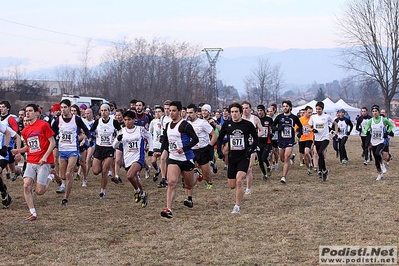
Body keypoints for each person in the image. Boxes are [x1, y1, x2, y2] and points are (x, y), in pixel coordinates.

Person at [12, 104, 61, 222]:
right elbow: (29, 147)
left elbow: (52, 142)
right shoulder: (25, 130)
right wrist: (18, 150)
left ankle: (51, 175)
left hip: (43, 162)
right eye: (26, 111)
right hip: (30, 161)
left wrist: (45, 156)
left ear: (36, 113)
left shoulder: (43, 125)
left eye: (30, 111)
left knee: (39, 191)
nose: (27, 113)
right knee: (26, 185)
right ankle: (32, 213)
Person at [217, 102, 258, 214]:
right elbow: (220, 138)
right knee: (232, 185)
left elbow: (256, 139)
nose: (234, 114)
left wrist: (251, 149)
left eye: (236, 112)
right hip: (232, 157)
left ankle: (237, 206)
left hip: (244, 157)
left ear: (240, 112)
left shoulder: (247, 125)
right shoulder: (227, 125)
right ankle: (239, 193)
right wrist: (219, 151)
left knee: (239, 180)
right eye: (232, 112)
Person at [160, 101, 199, 219]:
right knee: (171, 182)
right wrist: (162, 151)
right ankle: (168, 209)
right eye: (169, 110)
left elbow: (195, 139)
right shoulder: (167, 125)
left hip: (186, 158)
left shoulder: (185, 125)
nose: (171, 113)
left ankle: (196, 176)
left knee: (189, 184)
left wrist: (184, 148)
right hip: (173, 158)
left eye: (173, 111)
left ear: (180, 111)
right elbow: (166, 141)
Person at [51, 99, 91, 206]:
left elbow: (86, 130)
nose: (63, 110)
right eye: (61, 108)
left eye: (65, 107)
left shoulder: (76, 119)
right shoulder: (58, 120)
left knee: (69, 174)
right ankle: (60, 180)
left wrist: (87, 138)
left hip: (73, 150)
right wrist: (54, 141)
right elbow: (52, 132)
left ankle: (65, 198)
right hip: (62, 150)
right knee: (63, 176)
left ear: (69, 107)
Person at [112, 110, 152, 207]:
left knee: (129, 176)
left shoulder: (140, 129)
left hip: (138, 157)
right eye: (125, 120)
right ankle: (143, 194)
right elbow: (114, 146)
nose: (127, 122)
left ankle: (137, 191)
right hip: (127, 158)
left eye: (129, 120)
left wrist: (151, 149)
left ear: (134, 120)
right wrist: (118, 139)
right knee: (135, 180)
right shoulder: (122, 131)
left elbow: (150, 136)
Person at [90, 103, 122, 198]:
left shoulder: (114, 122)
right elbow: (90, 131)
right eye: (102, 110)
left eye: (105, 110)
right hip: (99, 148)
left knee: (104, 170)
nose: (103, 112)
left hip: (109, 148)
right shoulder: (97, 122)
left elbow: (120, 133)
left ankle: (102, 191)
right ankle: (105, 172)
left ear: (109, 111)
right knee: (96, 171)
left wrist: (117, 140)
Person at [187, 103, 218, 189]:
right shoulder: (186, 124)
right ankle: (197, 174)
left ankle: (209, 174)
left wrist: (209, 146)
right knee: (192, 171)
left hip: (203, 150)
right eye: (187, 113)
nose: (188, 115)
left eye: (191, 113)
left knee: (206, 176)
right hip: (192, 150)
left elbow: (214, 135)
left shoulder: (202, 123)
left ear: (196, 112)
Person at [272, 100, 302, 184]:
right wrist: (278, 129)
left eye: (286, 106)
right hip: (281, 140)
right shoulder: (279, 117)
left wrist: (300, 133)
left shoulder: (294, 117)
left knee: (286, 157)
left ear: (290, 107)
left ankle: (283, 177)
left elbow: (300, 126)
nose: (285, 108)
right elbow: (273, 126)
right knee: (282, 158)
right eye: (284, 106)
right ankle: (292, 157)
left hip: (290, 140)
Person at [363, 105, 394, 180]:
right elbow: (366, 128)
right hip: (373, 141)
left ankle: (383, 165)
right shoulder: (371, 121)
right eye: (373, 111)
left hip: (381, 141)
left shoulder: (383, 120)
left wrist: (388, 131)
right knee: (376, 160)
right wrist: (365, 132)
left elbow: (391, 125)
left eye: (376, 111)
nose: (374, 113)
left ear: (378, 112)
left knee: (378, 153)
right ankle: (380, 174)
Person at [309, 101, 335, 181]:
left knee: (320, 152)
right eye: (316, 109)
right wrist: (313, 130)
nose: (317, 110)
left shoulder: (327, 116)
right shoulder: (313, 117)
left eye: (319, 109)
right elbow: (309, 127)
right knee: (320, 155)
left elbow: (335, 123)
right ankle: (324, 170)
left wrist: (335, 133)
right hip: (317, 139)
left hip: (325, 138)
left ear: (322, 109)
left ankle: (321, 170)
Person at [256, 104, 273, 180]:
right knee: (260, 160)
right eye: (258, 110)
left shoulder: (268, 119)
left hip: (267, 142)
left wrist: (273, 132)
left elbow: (272, 128)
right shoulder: (256, 120)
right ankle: (265, 174)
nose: (259, 112)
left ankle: (268, 166)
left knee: (264, 158)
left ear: (264, 111)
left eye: (261, 110)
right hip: (259, 142)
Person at [297, 106, 315, 175]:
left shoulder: (313, 119)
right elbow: (296, 128)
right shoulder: (300, 119)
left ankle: (311, 164)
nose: (310, 114)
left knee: (307, 152)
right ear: (305, 112)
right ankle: (308, 169)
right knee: (304, 156)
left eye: (311, 112)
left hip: (309, 138)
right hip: (302, 139)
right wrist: (298, 133)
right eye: (308, 112)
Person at [148, 106, 163, 182]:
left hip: (162, 145)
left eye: (159, 111)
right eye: (156, 112)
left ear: (162, 112)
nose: (157, 113)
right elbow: (150, 133)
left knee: (162, 161)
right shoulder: (153, 122)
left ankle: (161, 175)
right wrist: (149, 144)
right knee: (153, 161)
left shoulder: (165, 121)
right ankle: (157, 170)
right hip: (155, 144)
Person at [0, 123, 13, 208]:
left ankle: (3, 191)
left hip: (1, 154)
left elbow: (8, 133)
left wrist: (5, 146)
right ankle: (3, 191)